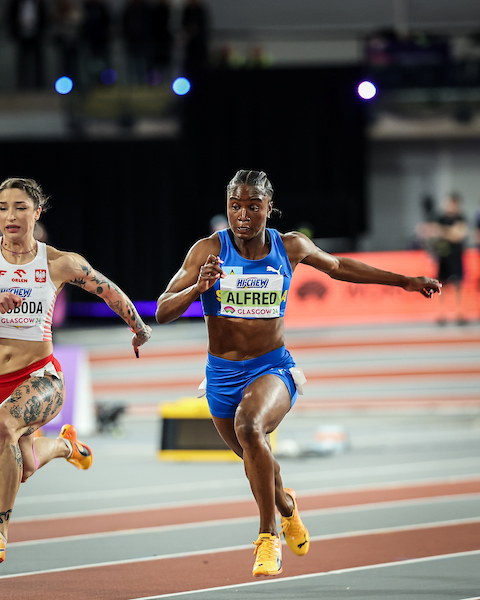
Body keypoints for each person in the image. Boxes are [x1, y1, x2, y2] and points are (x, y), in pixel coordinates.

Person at [155, 169, 441, 578]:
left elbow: (340, 266)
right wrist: (197, 288)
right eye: (235, 206)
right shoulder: (206, 251)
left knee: (250, 428)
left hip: (272, 367)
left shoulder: (289, 246)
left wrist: (405, 281)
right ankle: (287, 508)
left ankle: (267, 538)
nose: (243, 215)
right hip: (221, 374)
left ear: (270, 208)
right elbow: (163, 311)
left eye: (253, 206)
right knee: (258, 463)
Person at [0, 177, 152, 563]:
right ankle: (69, 446)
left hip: (40, 377)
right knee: (25, 465)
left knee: (4, 426)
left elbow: (109, 290)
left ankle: (0, 530)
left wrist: (139, 327)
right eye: (2, 207)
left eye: (20, 207)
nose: (10, 215)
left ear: (36, 213)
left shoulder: (58, 262)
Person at [434, 193, 469, 325]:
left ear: (455, 204)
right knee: (440, 284)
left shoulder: (461, 218)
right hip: (443, 256)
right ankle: (441, 314)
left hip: (456, 256)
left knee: (457, 284)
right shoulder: (441, 218)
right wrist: (450, 232)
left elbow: (458, 236)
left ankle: (459, 313)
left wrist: (443, 232)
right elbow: (433, 232)